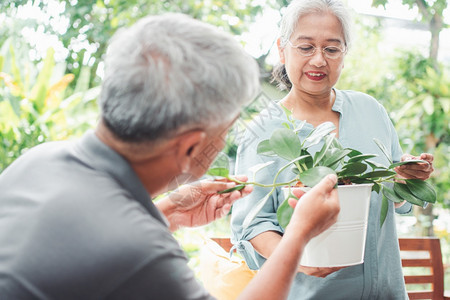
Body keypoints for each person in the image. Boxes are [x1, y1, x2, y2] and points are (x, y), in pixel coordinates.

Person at [0, 13, 341, 300]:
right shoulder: (138, 250)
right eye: (226, 130)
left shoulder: (37, 161)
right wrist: (298, 236)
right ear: (191, 146)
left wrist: (166, 214)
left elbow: (76, 254)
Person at [230, 0, 435, 299]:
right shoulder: (263, 131)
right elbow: (251, 227)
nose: (318, 60)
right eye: (305, 47)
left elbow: (397, 199)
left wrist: (408, 178)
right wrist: (298, 257)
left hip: (388, 291)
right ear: (282, 48)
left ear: (344, 54)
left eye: (331, 48)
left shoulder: (371, 110)